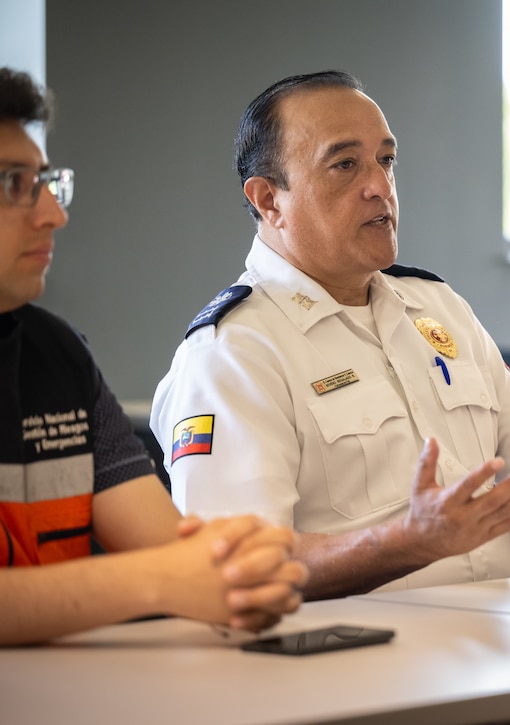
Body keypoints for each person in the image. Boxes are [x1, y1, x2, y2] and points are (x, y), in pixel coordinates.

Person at [151, 70, 510, 600]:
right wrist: (405, 544)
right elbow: (237, 565)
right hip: (353, 668)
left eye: (386, 159)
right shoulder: (232, 353)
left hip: (500, 646)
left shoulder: (438, 307)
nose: (379, 185)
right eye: (345, 164)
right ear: (269, 200)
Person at [0, 67, 308, 646]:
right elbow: (167, 573)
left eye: (45, 181)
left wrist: (241, 571)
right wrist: (162, 581)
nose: (53, 214)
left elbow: (179, 555)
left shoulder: (57, 355)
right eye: (14, 184)